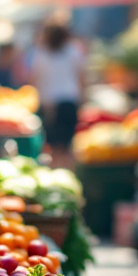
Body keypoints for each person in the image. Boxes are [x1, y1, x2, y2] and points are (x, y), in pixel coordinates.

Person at [31, 12, 84, 168]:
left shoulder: (41, 53)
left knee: (52, 149)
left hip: (50, 104)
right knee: (68, 148)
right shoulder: (73, 51)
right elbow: (81, 77)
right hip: (69, 101)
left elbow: (35, 80)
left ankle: (57, 178)